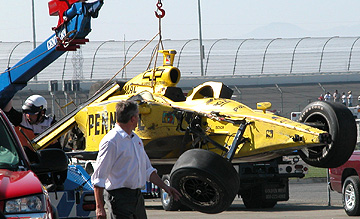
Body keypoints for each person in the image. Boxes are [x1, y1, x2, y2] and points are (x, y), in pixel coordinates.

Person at [91, 100, 181, 219]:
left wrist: (166, 188)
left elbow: (148, 170)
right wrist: (100, 208)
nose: (139, 119)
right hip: (119, 199)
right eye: (138, 116)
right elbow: (98, 178)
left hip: (137, 198)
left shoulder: (135, 139)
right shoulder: (111, 141)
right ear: (133, 119)